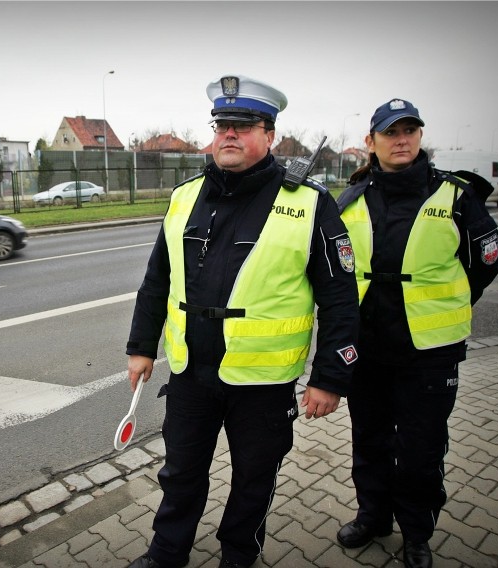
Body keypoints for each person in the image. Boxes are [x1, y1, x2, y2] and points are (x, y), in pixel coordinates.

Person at [124, 74, 361, 568]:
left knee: (254, 478)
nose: (229, 133)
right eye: (222, 124)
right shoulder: (185, 196)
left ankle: (239, 555)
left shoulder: (309, 203)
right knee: (181, 472)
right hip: (192, 373)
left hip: (263, 380)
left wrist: (331, 377)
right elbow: (157, 279)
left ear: (269, 134)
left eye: (245, 124)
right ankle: (167, 552)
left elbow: (340, 299)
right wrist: (142, 346)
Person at [335, 99, 498, 568]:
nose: (401, 139)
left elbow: (484, 266)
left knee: (420, 450)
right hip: (367, 348)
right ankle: (373, 516)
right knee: (369, 440)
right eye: (391, 132)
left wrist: (445, 305)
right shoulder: (350, 198)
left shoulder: (456, 195)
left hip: (429, 352)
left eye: (410, 130)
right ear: (372, 143)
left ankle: (416, 534)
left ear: (421, 137)